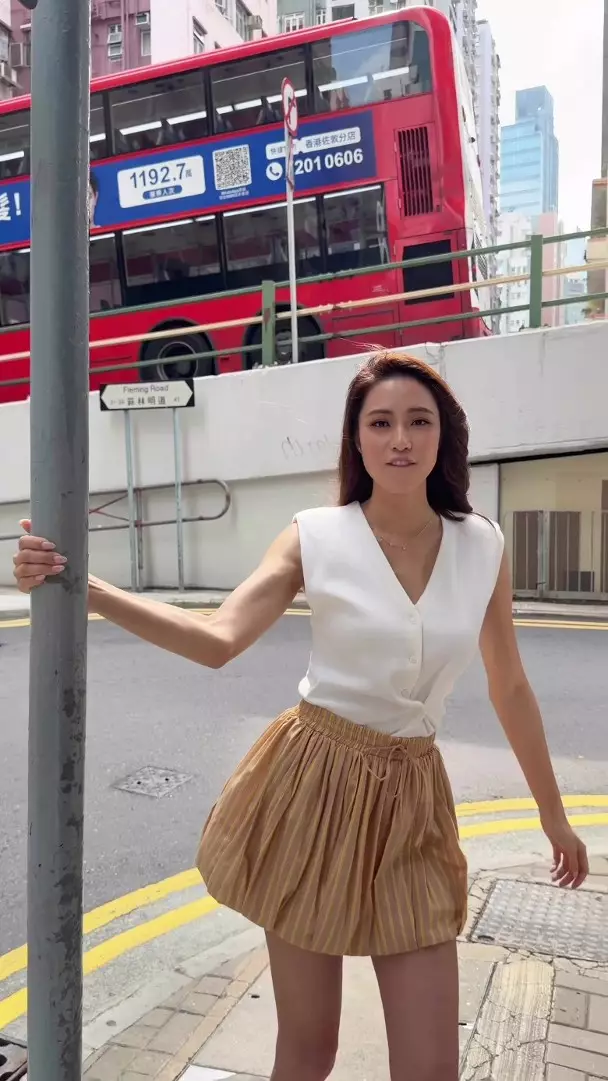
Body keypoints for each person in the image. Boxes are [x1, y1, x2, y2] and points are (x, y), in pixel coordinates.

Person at [13, 352, 588, 1081]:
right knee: (310, 1047)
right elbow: (218, 639)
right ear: (356, 439)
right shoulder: (316, 534)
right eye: (380, 423)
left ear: (445, 436)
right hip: (312, 788)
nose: (401, 439)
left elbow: (511, 685)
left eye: (419, 421)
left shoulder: (483, 545)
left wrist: (553, 815)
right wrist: (88, 588)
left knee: (430, 1065)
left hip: (414, 801)